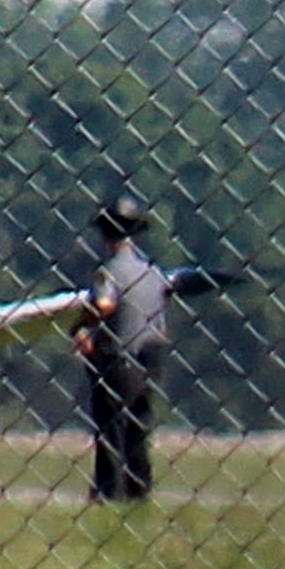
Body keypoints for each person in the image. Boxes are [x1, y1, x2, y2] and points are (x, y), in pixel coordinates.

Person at [74, 195, 171, 503]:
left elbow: (104, 303)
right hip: (150, 359)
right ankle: (139, 490)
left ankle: (108, 492)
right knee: (138, 433)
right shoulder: (153, 272)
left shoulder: (109, 271)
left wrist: (81, 324)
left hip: (118, 361)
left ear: (106, 236)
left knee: (111, 432)